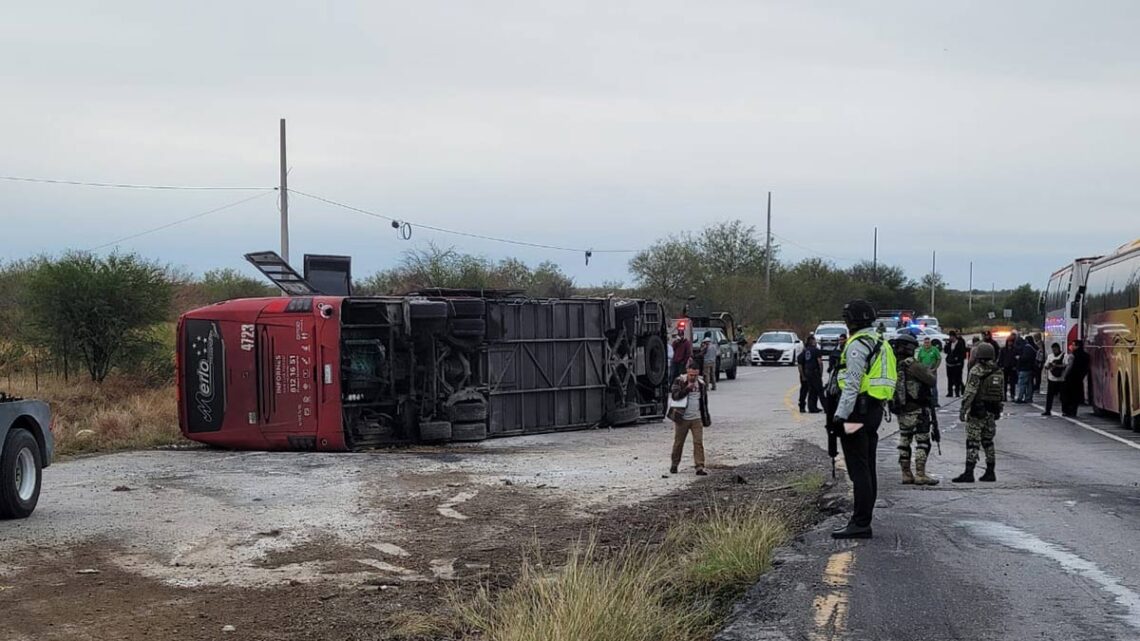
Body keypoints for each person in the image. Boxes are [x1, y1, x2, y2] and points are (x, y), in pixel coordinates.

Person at [825, 299, 896, 539]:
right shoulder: (879, 341)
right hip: (872, 411)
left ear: (852, 321)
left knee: (858, 469)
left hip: (856, 413)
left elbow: (852, 384)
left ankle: (860, 522)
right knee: (867, 465)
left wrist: (839, 416)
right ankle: (862, 518)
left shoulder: (857, 345)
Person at [891, 334, 939, 485]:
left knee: (904, 440)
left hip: (901, 410)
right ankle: (920, 474)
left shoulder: (893, 364)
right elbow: (931, 380)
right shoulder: (912, 365)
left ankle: (906, 473)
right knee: (922, 441)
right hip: (918, 409)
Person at [953, 342, 1004, 483]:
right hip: (992, 410)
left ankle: (969, 472)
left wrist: (963, 409)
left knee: (972, 442)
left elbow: (970, 392)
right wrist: (999, 408)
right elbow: (1001, 392)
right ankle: (990, 471)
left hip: (977, 410)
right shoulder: (998, 370)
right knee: (988, 442)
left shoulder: (976, 370)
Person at [668, 359, 710, 476]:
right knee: (678, 442)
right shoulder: (679, 381)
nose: (693, 377)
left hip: (696, 418)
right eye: (691, 375)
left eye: (695, 375)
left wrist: (706, 418)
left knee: (698, 442)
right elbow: (675, 396)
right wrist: (687, 388)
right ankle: (674, 464)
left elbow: (704, 403)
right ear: (687, 372)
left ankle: (699, 466)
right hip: (682, 418)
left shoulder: (701, 384)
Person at [1061, 340, 1090, 417]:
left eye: (1073, 345)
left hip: (1071, 378)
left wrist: (1064, 375)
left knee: (1067, 395)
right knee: (1075, 396)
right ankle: (1074, 411)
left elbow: (1069, 366)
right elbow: (1086, 368)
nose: (1072, 346)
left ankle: (1066, 411)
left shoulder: (1072, 355)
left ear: (1077, 346)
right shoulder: (1086, 356)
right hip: (1079, 378)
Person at [798, 335, 824, 413]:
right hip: (812, 372)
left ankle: (808, 407)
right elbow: (820, 362)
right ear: (812, 341)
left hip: (805, 372)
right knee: (816, 390)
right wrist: (820, 373)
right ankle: (820, 407)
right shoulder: (815, 350)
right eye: (815, 340)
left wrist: (803, 375)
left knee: (809, 390)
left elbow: (800, 365)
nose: (816, 342)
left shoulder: (804, 352)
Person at [1042, 342, 1068, 416]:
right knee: (1049, 396)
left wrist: (1056, 365)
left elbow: (1066, 365)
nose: (1054, 351)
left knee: (1063, 396)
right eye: (1053, 350)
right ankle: (1047, 410)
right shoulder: (1050, 356)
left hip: (1061, 379)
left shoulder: (1064, 356)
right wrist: (1049, 366)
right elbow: (1046, 366)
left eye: (1055, 350)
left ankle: (1064, 410)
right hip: (1051, 379)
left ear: (1059, 349)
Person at [916, 336, 942, 407]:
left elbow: (939, 359)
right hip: (924, 371)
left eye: (928, 343)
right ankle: (925, 402)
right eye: (925, 343)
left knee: (933, 386)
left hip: (932, 370)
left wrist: (935, 368)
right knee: (924, 386)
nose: (927, 344)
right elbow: (918, 360)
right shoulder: (921, 350)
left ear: (930, 343)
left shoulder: (934, 349)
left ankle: (935, 402)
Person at [944, 330, 967, 397]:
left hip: (957, 364)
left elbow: (962, 353)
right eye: (950, 336)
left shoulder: (960, 343)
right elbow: (946, 351)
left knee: (957, 378)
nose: (950, 338)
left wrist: (958, 359)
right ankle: (950, 392)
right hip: (949, 364)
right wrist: (946, 344)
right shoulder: (949, 343)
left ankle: (957, 392)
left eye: (951, 336)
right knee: (950, 378)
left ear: (954, 337)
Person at [1016, 336, 1038, 403]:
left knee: (1022, 383)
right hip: (1031, 368)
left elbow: (1025, 358)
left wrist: (1019, 358)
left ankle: (1020, 397)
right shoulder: (1033, 348)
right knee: (1029, 384)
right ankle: (1028, 398)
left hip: (1024, 368)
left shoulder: (1026, 348)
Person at [999, 333, 1019, 402]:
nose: (1010, 343)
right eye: (1009, 341)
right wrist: (1001, 366)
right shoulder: (1003, 349)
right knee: (1004, 383)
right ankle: (1004, 396)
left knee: (1012, 383)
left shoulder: (1015, 349)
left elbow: (1017, 359)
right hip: (1005, 368)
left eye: (1011, 341)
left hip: (1012, 368)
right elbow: (1000, 358)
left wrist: (1015, 366)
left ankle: (1012, 395)